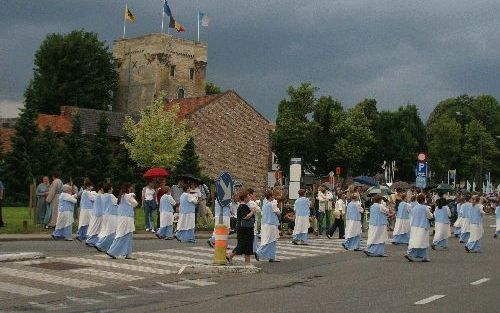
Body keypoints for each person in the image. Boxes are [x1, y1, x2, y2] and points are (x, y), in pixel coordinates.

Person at [107, 183, 137, 259]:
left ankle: (127, 253)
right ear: (128, 188)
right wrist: (132, 196)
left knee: (125, 235)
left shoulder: (121, 196)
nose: (131, 189)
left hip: (122, 218)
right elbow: (135, 203)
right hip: (127, 218)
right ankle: (112, 251)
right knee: (124, 235)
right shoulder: (128, 196)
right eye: (130, 188)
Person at [227, 191, 255, 264]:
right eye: (248, 196)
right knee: (247, 244)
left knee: (242, 244)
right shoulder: (243, 206)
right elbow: (245, 217)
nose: (249, 198)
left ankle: (231, 256)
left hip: (243, 228)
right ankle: (247, 261)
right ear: (245, 198)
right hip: (245, 229)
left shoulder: (242, 206)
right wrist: (252, 212)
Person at [405, 194, 433, 262]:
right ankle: (424, 256)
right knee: (423, 242)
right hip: (423, 227)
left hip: (414, 226)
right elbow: (430, 216)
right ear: (424, 200)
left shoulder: (414, 208)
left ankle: (411, 253)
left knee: (415, 241)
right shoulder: (425, 208)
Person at [255, 191, 281, 262]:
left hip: (265, 224)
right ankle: (258, 252)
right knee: (270, 240)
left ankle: (271, 257)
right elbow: (278, 213)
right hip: (271, 224)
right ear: (270, 196)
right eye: (272, 196)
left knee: (269, 240)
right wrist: (277, 206)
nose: (273, 197)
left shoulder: (264, 204)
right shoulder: (272, 204)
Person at [95, 183, 118, 252]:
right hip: (111, 215)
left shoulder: (103, 196)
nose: (112, 189)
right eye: (111, 188)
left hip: (105, 215)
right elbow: (117, 202)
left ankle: (105, 245)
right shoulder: (111, 196)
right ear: (109, 189)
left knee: (105, 230)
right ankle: (100, 244)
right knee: (111, 231)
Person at [247, 188, 260, 253]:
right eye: (254, 194)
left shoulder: (250, 202)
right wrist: (257, 203)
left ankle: (254, 249)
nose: (255, 195)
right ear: (251, 194)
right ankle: (254, 250)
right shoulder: (252, 202)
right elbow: (258, 210)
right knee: (254, 235)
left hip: (253, 220)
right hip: (253, 220)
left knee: (253, 234)